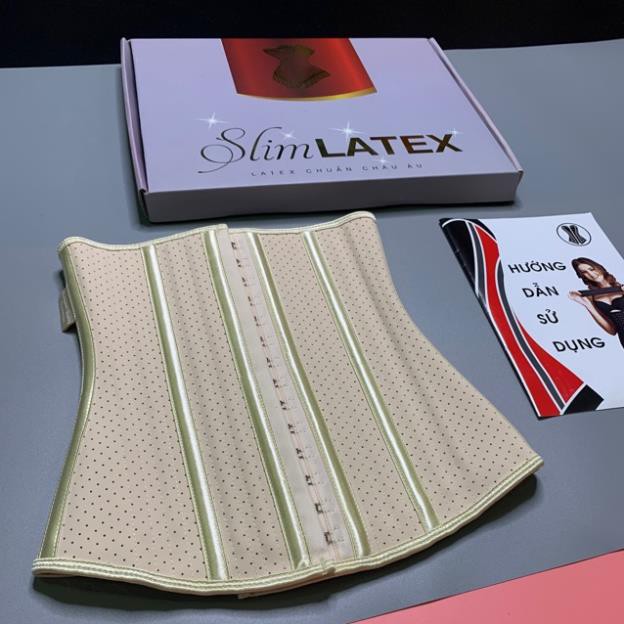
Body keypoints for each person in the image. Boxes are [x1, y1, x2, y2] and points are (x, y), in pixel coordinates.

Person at [568, 257, 624, 347]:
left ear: (599, 267)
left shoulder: (621, 286)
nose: (591, 274)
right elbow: (612, 330)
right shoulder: (591, 297)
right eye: (585, 272)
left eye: (591, 269)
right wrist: (587, 304)